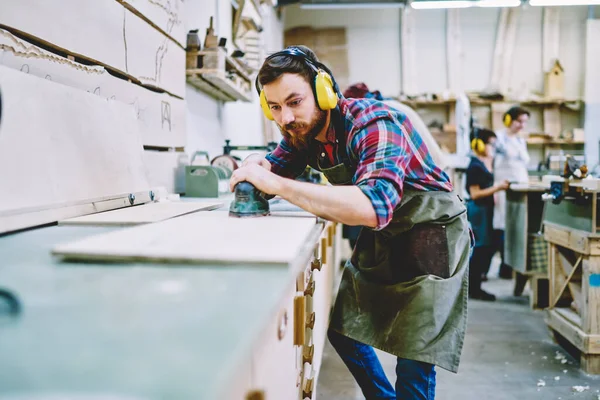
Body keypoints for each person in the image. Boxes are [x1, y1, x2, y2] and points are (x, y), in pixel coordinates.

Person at [229, 45, 471, 400]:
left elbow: (374, 207)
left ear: (324, 92)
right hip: (387, 234)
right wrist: (253, 166)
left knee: (414, 358)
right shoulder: (302, 134)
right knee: (344, 330)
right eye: (275, 107)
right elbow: (273, 166)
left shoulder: (374, 123)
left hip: (430, 233)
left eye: (294, 102)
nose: (285, 118)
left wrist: (277, 184)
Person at [466, 128, 510, 301]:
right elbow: (475, 194)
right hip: (479, 209)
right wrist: (497, 188)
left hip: (487, 209)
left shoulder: (485, 163)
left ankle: (475, 286)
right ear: (481, 144)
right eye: (491, 143)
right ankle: (474, 288)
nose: (494, 147)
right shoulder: (474, 166)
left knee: (488, 246)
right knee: (481, 248)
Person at [493, 106, 531, 280]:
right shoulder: (499, 139)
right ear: (509, 120)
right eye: (519, 121)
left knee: (517, 226)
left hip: (520, 187)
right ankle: (505, 266)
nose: (522, 125)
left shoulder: (520, 141)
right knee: (503, 227)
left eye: (524, 122)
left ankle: (514, 265)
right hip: (503, 189)